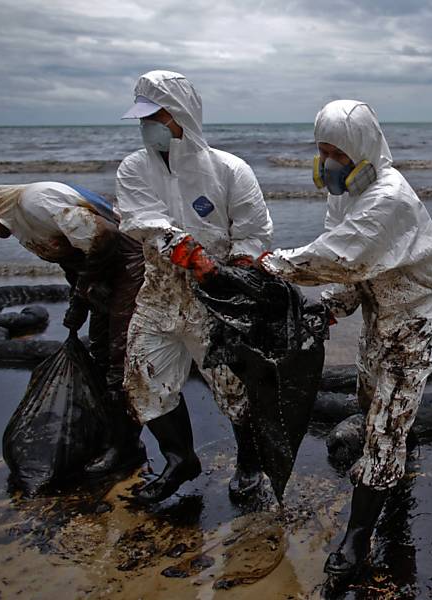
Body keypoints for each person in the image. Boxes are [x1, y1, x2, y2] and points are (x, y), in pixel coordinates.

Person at [259, 100, 432, 576]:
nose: (328, 164)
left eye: (336, 153)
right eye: (322, 151)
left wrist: (269, 265)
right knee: (369, 404)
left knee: (384, 426)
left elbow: (339, 257)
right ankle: (396, 460)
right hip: (377, 313)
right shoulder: (344, 196)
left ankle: (357, 538)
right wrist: (333, 306)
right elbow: (350, 272)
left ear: (362, 150)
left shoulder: (389, 197)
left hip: (414, 320)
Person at [116, 70, 274, 504]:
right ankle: (179, 458)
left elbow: (254, 231)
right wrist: (186, 251)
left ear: (182, 114)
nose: (148, 127)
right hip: (159, 294)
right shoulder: (134, 168)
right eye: (143, 118)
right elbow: (139, 221)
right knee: (143, 380)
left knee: (233, 387)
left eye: (156, 117)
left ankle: (250, 461)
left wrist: (237, 267)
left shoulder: (229, 170)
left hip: (217, 302)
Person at [0, 182, 146, 473]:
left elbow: (105, 237)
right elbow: (74, 259)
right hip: (105, 273)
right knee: (98, 351)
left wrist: (86, 288)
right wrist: (78, 302)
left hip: (129, 267)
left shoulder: (35, 202)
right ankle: (113, 437)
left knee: (119, 359)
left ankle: (128, 448)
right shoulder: (20, 225)